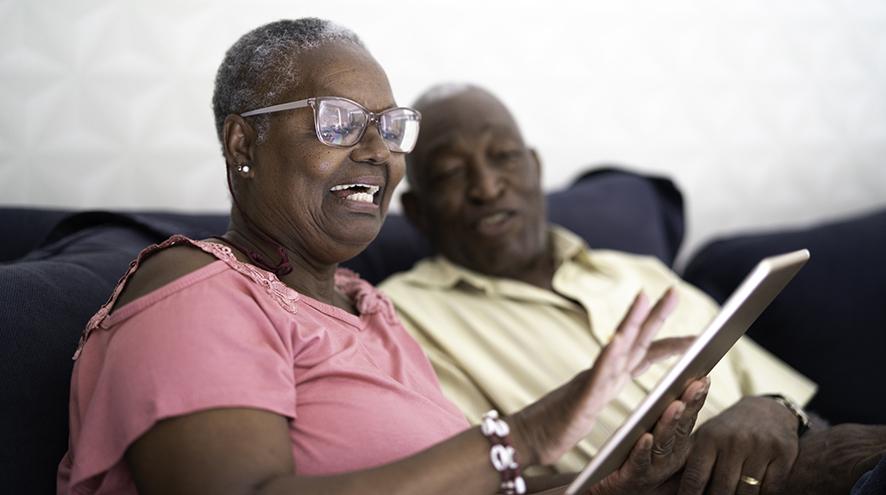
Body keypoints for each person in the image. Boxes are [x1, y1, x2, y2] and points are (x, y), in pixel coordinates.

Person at [57, 19, 712, 495]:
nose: (377, 151)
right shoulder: (196, 294)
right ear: (242, 142)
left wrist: (612, 483)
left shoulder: (369, 308)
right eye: (338, 121)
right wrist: (523, 435)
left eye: (390, 127)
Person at [380, 83, 886, 494]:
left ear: (534, 169)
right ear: (418, 213)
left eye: (504, 156)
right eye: (449, 172)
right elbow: (473, 484)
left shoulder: (639, 271)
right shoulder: (403, 318)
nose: (487, 187)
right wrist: (691, 467)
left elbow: (804, 408)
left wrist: (773, 407)